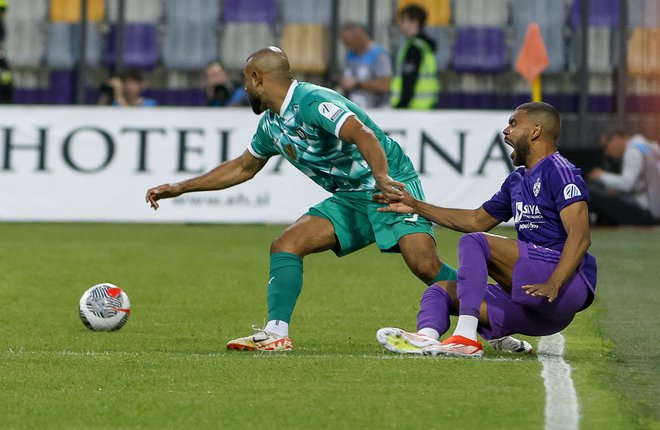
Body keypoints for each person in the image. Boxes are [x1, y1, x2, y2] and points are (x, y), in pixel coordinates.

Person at [145, 46, 459, 352]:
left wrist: (381, 176)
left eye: (245, 79)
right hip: (350, 197)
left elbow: (363, 134)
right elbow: (243, 167)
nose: (244, 87)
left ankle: (493, 316)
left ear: (257, 78)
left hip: (389, 185)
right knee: (287, 244)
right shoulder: (271, 124)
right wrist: (182, 187)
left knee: (424, 265)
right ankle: (275, 333)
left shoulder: (312, 101)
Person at [375, 102, 597, 357]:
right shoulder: (517, 181)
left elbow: (581, 236)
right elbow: (475, 220)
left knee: (475, 242)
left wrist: (554, 282)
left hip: (564, 285)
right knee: (439, 291)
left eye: (514, 123)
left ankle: (466, 337)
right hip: (533, 307)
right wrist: (415, 206)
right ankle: (426, 338)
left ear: (535, 131)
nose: (505, 130)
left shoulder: (560, 172)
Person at [587, 130, 659, 225]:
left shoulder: (633, 151)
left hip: (647, 213)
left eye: (606, 146)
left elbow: (627, 184)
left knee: (591, 193)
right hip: (654, 207)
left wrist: (601, 175)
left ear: (616, 139)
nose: (606, 153)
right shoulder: (650, 146)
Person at [390, 4, 440, 110]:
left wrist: (401, 105)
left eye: (403, 20)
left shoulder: (415, 48)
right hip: (425, 106)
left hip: (412, 108)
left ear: (415, 22)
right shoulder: (424, 45)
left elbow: (409, 80)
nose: (400, 24)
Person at [338, 22, 392, 109]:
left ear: (359, 36)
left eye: (348, 42)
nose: (346, 46)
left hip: (378, 111)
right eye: (344, 42)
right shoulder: (349, 56)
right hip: (356, 110)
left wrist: (358, 84)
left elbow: (385, 85)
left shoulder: (379, 55)